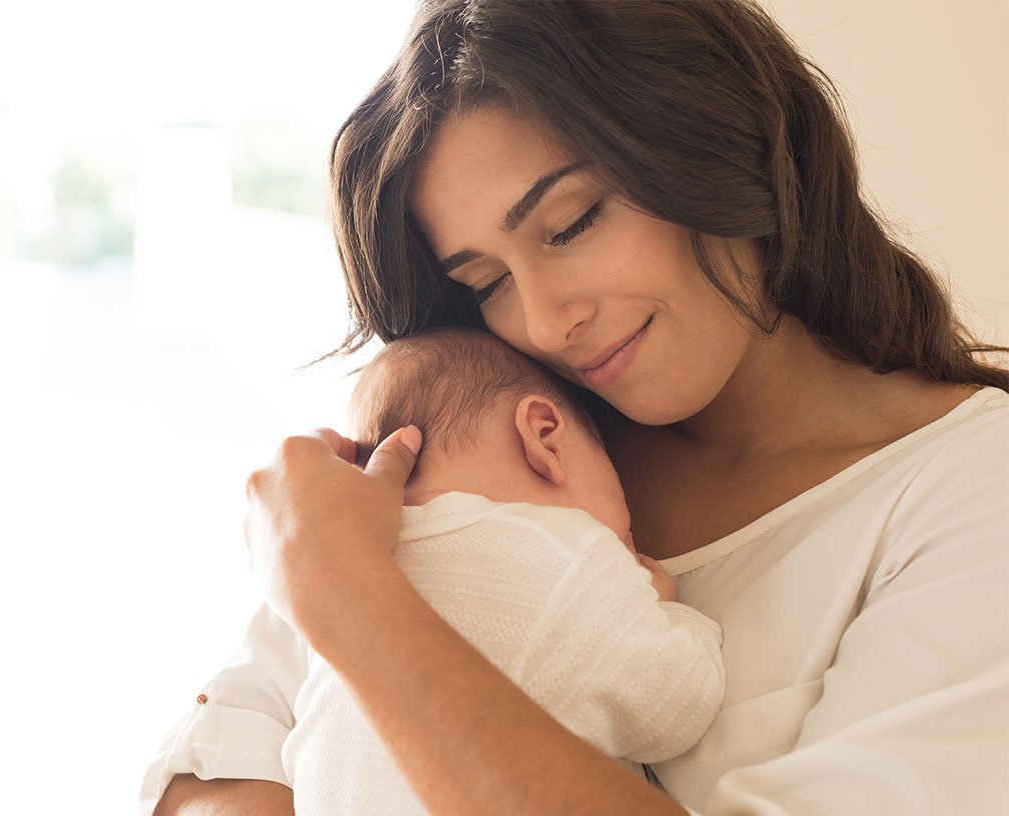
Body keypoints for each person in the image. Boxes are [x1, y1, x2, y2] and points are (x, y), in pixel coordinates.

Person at [149, 1, 1009, 813]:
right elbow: (204, 775)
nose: (547, 322)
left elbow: (316, 640)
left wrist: (350, 600)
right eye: (486, 283)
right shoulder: (492, 457)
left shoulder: (969, 493)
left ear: (714, 138)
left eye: (570, 224)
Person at [280, 327, 724, 815]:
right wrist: (666, 611)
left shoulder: (341, 593)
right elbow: (677, 707)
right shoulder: (564, 552)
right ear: (545, 436)